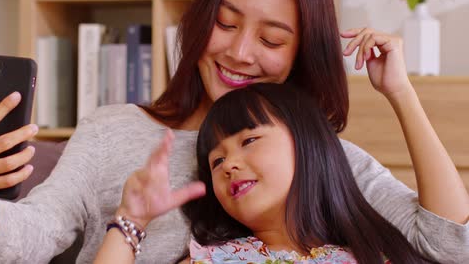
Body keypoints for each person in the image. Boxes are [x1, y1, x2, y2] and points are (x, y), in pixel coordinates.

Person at [0, 0, 468, 263]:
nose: (239, 52)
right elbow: (37, 236)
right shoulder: (114, 132)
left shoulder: (320, 154)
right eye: (225, 24)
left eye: (272, 40)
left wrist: (401, 94)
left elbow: (450, 243)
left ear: (301, 54)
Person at [93, 82, 441, 263]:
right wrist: (131, 220)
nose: (229, 164)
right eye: (215, 162)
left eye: (250, 140)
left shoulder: (376, 252)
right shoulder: (213, 260)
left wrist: (400, 90)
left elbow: (454, 234)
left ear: (307, 141)